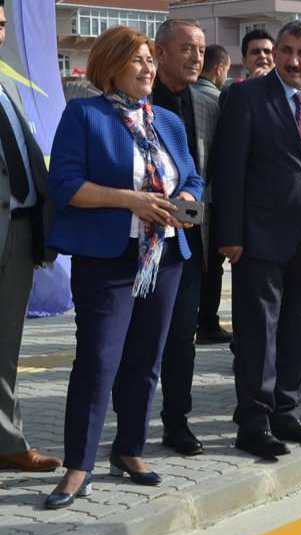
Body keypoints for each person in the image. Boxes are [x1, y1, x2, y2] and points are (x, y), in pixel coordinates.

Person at [44, 26, 203, 508]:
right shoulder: (84, 115)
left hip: (166, 257)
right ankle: (78, 465)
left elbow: (193, 175)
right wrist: (131, 200)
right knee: (97, 363)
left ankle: (129, 449)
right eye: (137, 60)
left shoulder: (166, 122)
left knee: (146, 360)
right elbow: (66, 184)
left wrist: (187, 199)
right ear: (110, 65)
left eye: (151, 60)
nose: (148, 68)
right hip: (109, 260)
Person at [213, 20, 301, 459]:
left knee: (298, 330)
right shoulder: (246, 97)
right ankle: (254, 420)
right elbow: (228, 170)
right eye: (286, 51)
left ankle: (286, 410)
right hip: (258, 239)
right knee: (258, 333)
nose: (292, 61)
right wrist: (229, 234)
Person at [0, 0, 62, 473]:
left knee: (7, 343)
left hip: (18, 234)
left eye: (2, 24)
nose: (0, 32)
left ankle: (7, 441)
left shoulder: (9, 88)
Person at [152, 19, 219, 456]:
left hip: (190, 244)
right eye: (186, 49)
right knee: (136, 342)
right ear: (159, 53)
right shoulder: (136, 100)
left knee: (181, 340)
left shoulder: (209, 105)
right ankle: (127, 422)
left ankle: (177, 422)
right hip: (138, 241)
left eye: (200, 50)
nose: (196, 57)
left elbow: (219, 173)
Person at [194, 43, 231, 346]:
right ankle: (208, 322)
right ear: (220, 69)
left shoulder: (184, 98)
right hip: (212, 196)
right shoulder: (217, 101)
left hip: (192, 196)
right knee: (213, 265)